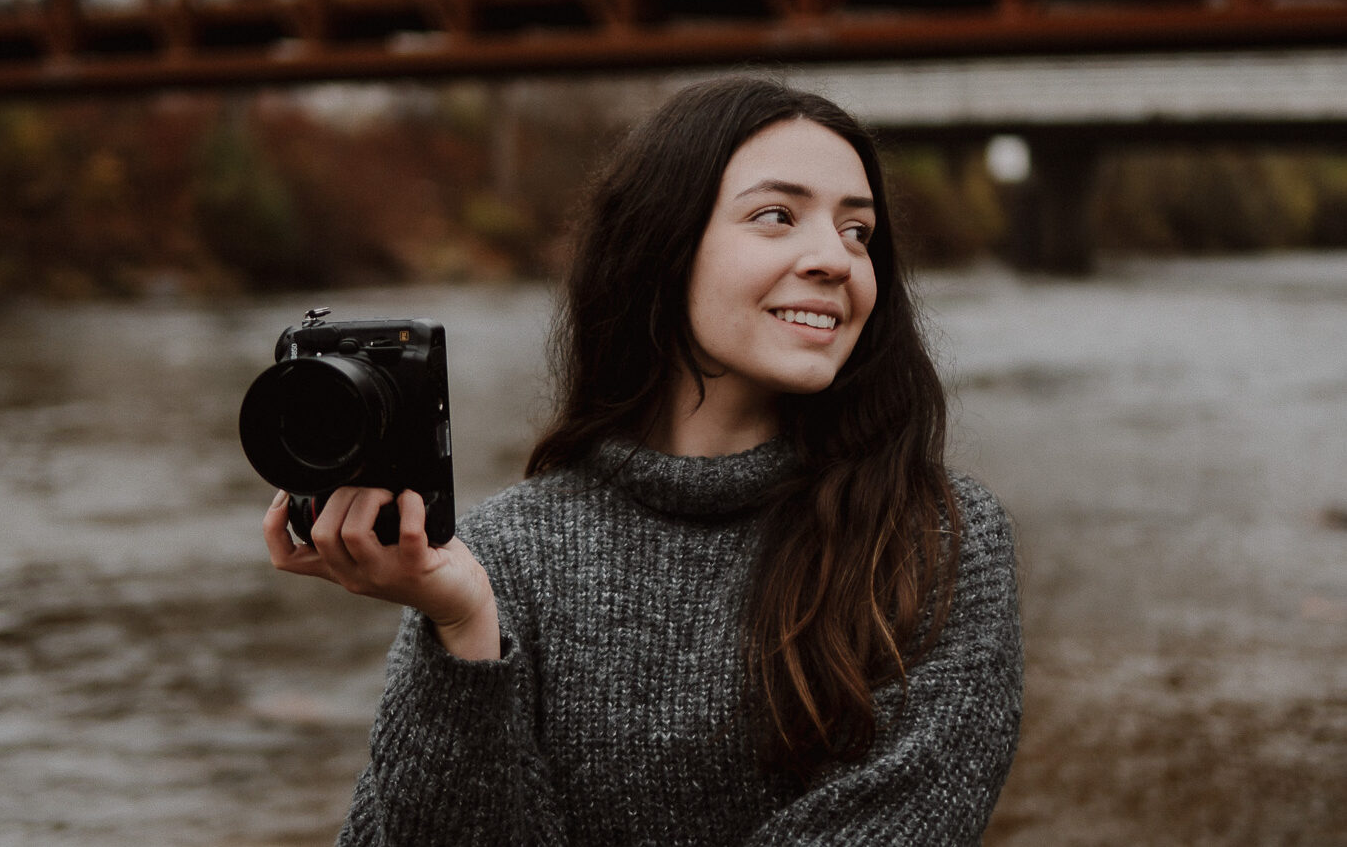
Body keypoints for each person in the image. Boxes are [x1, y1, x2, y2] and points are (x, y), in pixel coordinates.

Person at [263, 75, 1023, 845]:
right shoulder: (498, 558)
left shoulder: (934, 544)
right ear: (662, 245)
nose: (834, 257)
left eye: (858, 231)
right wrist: (463, 631)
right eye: (775, 216)